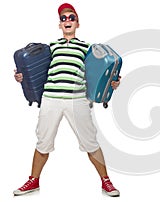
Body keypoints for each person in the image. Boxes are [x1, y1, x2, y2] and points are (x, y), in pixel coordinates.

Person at [13, 3, 120, 197]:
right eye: (63, 19)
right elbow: (36, 72)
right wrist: (21, 77)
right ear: (59, 25)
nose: (67, 21)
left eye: (71, 17)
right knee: (42, 142)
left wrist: (113, 82)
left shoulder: (88, 48)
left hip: (76, 99)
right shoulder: (50, 47)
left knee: (90, 143)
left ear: (78, 23)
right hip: (51, 98)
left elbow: (99, 74)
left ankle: (106, 182)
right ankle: (33, 181)